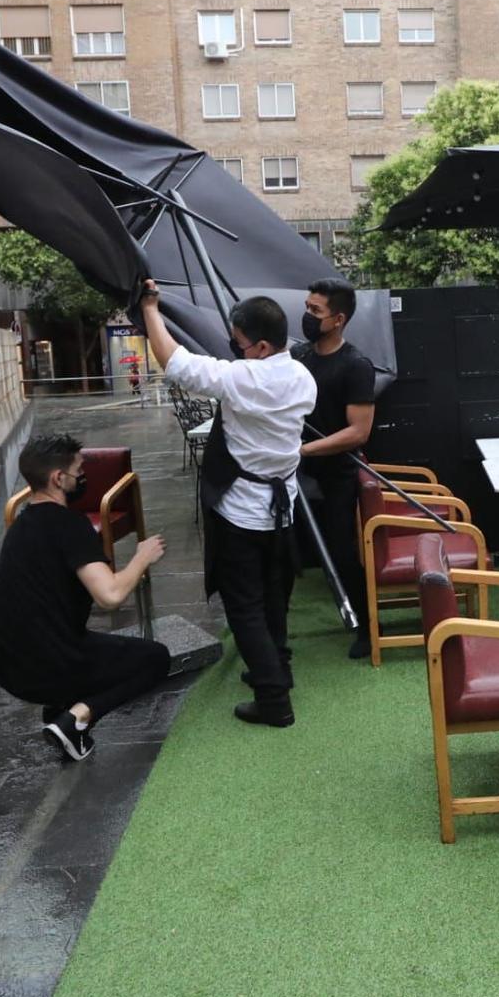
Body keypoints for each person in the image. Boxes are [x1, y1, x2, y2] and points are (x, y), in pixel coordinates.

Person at [138, 280, 315, 728]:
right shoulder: (302, 377)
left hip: (243, 511)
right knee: (274, 598)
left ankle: (274, 701)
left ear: (259, 345)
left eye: (239, 345)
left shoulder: (243, 380)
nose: (234, 351)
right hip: (283, 510)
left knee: (245, 608)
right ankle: (277, 670)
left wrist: (150, 309)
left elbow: (174, 362)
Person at [0, 433, 169, 761]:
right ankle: (77, 719)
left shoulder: (19, 525)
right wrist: (143, 556)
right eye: (78, 470)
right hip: (50, 666)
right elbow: (110, 596)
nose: (83, 477)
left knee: (89, 643)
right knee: (154, 658)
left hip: (7, 667)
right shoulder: (71, 526)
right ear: (58, 478)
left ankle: (60, 706)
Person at [292, 277, 378, 659]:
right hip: (295, 470)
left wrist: (305, 450)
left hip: (336, 474)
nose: (307, 316)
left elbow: (358, 433)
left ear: (338, 319)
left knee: (343, 552)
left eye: (315, 311)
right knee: (284, 552)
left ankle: (367, 628)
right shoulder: (297, 358)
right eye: (307, 308)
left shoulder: (356, 365)